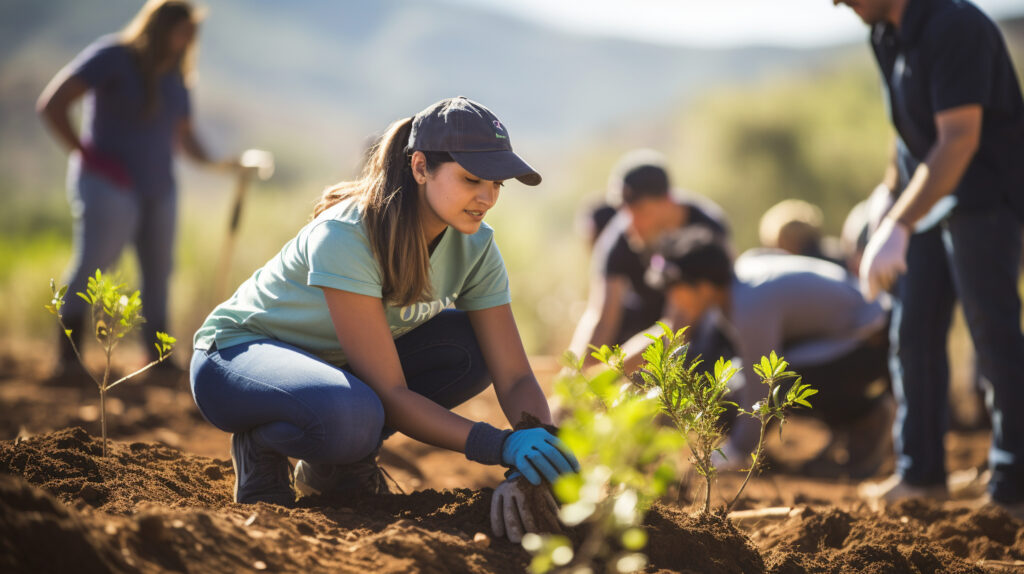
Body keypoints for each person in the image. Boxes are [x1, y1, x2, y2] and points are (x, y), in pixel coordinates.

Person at [188, 97, 580, 542]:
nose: (487, 197)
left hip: (335, 373)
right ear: (419, 167)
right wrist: (501, 446)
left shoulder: (476, 246)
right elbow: (390, 392)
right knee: (352, 416)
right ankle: (265, 443)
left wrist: (541, 445)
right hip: (237, 358)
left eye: (497, 184)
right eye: (471, 179)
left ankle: (337, 460)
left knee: (469, 348)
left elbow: (512, 376)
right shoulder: (348, 234)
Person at [833, 0, 1024, 514]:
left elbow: (959, 140)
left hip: (985, 200)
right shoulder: (885, 35)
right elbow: (908, 136)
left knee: (993, 336)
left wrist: (899, 222)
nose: (843, 5)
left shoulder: (954, 26)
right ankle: (921, 476)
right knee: (912, 330)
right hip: (926, 201)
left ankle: (1014, 484)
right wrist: (887, 196)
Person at [37, 0, 244, 379]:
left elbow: (184, 139)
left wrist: (225, 165)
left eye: (191, 33)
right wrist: (89, 158)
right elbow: (52, 104)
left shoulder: (177, 77)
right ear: (160, 26)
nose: (186, 40)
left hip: (159, 188)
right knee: (94, 264)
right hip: (107, 183)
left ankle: (159, 360)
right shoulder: (112, 56)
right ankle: (66, 360)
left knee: (160, 271)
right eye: (181, 30)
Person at [640, 228, 893, 478]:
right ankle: (848, 426)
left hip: (871, 337)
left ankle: (866, 419)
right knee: (737, 385)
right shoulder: (735, 285)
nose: (671, 298)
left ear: (703, 287)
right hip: (843, 333)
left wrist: (736, 452)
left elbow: (760, 389)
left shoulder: (749, 304)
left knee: (778, 381)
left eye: (674, 288)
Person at [569, 149, 730, 367]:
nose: (631, 224)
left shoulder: (707, 226)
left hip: (697, 332)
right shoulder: (618, 237)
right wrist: (576, 379)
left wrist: (610, 373)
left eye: (641, 211)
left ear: (667, 200)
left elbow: (678, 324)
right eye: (624, 211)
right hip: (639, 326)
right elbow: (601, 318)